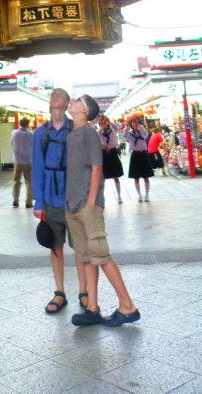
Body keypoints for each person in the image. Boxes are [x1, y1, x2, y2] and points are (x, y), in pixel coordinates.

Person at [65, 94, 140, 328]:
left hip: (87, 205)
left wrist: (90, 201)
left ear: (85, 110)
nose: (72, 101)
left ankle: (127, 306)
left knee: (101, 254)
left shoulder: (89, 132)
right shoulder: (72, 134)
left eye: (77, 100)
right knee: (86, 257)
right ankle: (92, 308)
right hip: (72, 204)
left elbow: (97, 167)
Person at [32, 88, 87, 315]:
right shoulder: (40, 133)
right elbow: (37, 168)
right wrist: (38, 202)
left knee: (80, 247)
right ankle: (60, 292)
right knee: (55, 246)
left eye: (60, 94)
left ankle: (84, 291)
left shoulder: (76, 129)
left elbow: (86, 165)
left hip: (74, 198)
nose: (54, 95)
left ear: (66, 104)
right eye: (52, 94)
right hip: (51, 198)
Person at [123, 117, 154, 201]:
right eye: (133, 123)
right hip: (135, 155)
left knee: (146, 176)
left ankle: (147, 195)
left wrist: (139, 124)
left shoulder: (143, 133)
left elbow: (145, 134)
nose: (135, 124)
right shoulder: (130, 134)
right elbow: (124, 135)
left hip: (143, 154)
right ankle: (139, 195)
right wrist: (127, 125)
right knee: (136, 177)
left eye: (136, 123)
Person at [98, 114, 124, 202]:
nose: (104, 123)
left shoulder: (112, 131)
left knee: (115, 175)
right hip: (104, 153)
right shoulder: (100, 131)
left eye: (105, 122)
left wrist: (109, 120)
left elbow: (117, 128)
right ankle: (102, 197)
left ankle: (119, 196)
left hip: (113, 152)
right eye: (102, 122)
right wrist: (101, 126)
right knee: (103, 177)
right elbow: (97, 138)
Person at [11, 117, 33, 208]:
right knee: (29, 182)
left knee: (16, 181)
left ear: (20, 124)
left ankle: (15, 200)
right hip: (28, 161)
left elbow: (12, 143)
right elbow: (34, 146)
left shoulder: (14, 132)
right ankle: (28, 202)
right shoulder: (31, 134)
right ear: (28, 124)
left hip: (17, 161)